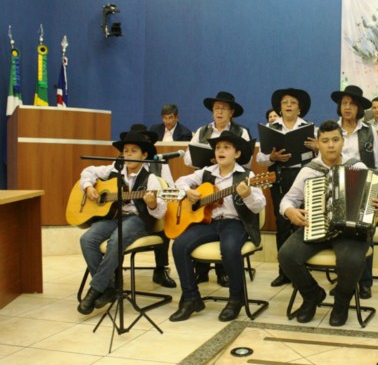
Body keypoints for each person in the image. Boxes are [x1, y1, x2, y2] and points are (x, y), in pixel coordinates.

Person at [278, 120, 378, 326]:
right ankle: (311, 295)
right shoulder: (309, 170)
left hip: (350, 231)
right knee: (286, 256)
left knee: (352, 261)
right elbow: (287, 200)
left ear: (342, 141)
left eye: (335, 140)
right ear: (318, 143)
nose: (330, 145)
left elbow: (376, 199)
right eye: (325, 141)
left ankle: (341, 303)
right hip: (316, 226)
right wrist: (290, 211)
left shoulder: (357, 167)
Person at [168, 131, 266, 322]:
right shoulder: (206, 172)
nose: (221, 151)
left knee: (229, 249)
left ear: (237, 154)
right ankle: (191, 298)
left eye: (226, 148)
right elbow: (180, 182)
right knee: (179, 245)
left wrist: (247, 195)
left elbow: (260, 205)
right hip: (209, 222)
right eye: (218, 147)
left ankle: (235, 299)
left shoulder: (247, 176)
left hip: (235, 223)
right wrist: (189, 192)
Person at [77, 131, 167, 314]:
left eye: (134, 151)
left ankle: (95, 289)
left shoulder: (150, 179)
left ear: (144, 155)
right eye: (126, 151)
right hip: (113, 217)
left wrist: (152, 203)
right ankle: (109, 287)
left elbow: (160, 211)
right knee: (87, 240)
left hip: (138, 220)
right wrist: (87, 187)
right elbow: (88, 171)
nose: (129, 155)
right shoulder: (113, 170)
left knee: (116, 240)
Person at [184, 91, 253, 286]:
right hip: (204, 183)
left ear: (232, 112)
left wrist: (226, 162)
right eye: (216, 108)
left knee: (225, 219)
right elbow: (188, 158)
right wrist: (209, 162)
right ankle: (201, 270)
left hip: (230, 182)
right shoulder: (201, 131)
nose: (219, 111)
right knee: (202, 219)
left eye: (223, 108)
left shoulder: (242, 132)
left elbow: (246, 162)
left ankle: (224, 272)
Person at [256, 88, 316, 287]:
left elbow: (323, 158)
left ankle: (302, 268)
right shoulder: (271, 128)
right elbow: (260, 159)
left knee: (304, 222)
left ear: (300, 109)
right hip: (280, 179)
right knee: (282, 226)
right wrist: (272, 157)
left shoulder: (310, 129)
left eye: (293, 102)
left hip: (306, 179)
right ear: (279, 108)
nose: (288, 105)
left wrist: (317, 148)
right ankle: (284, 271)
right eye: (284, 103)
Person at [332, 85, 378, 299]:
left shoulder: (368, 130)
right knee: (338, 233)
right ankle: (343, 279)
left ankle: (365, 281)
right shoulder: (331, 129)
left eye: (352, 104)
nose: (347, 107)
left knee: (365, 233)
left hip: (364, 187)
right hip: (336, 189)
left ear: (358, 109)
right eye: (344, 103)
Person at [119, 124, 177, 288]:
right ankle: (114, 273)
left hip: (152, 209)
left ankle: (160, 269)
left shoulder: (159, 164)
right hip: (123, 213)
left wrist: (155, 200)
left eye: (145, 141)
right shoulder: (120, 166)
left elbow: (170, 188)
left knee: (163, 224)